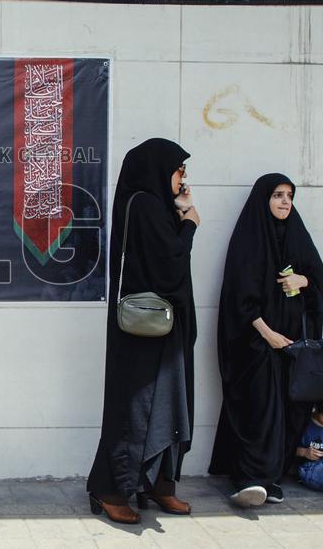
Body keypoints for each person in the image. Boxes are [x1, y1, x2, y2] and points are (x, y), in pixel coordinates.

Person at [87, 138, 200, 524]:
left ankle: (158, 484)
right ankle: (109, 490)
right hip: (145, 334)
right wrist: (189, 225)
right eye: (179, 169)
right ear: (158, 168)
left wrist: (179, 209)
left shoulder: (152, 205)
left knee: (170, 405)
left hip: (162, 331)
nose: (183, 178)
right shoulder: (146, 206)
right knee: (136, 410)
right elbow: (169, 265)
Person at [208, 174, 323, 507]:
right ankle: (249, 478)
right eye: (277, 195)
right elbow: (239, 298)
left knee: (289, 411)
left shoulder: (298, 237)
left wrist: (302, 279)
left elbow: (318, 284)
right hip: (256, 345)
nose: (285, 202)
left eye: (289, 195)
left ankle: (273, 475)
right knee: (257, 408)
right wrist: (268, 333)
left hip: (293, 348)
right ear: (264, 199)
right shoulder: (250, 240)